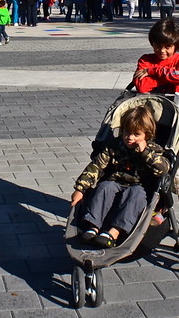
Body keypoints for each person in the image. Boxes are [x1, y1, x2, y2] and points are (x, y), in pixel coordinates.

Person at [133, 18, 179, 244]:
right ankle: (157, 212)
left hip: (178, 134)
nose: (162, 50)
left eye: (167, 46)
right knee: (152, 176)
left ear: (176, 45)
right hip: (151, 131)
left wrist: (153, 72)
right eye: (157, 46)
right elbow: (142, 86)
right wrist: (160, 74)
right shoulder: (144, 59)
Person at [70, 104, 170, 248]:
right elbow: (96, 166)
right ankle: (93, 226)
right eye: (126, 133)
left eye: (136, 134)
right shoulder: (114, 146)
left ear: (147, 135)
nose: (130, 138)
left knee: (135, 194)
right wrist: (80, 189)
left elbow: (163, 169)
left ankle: (114, 232)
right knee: (104, 187)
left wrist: (146, 153)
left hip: (140, 187)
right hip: (116, 182)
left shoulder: (154, 150)